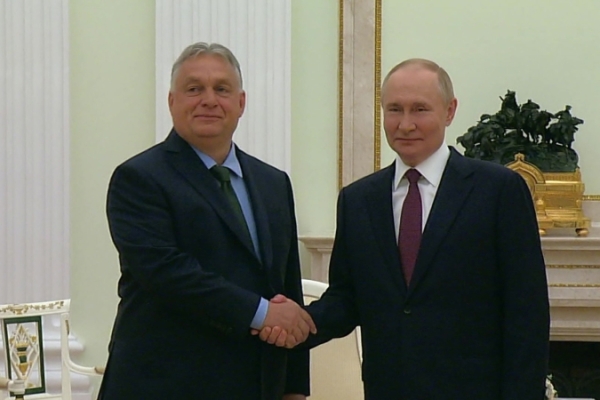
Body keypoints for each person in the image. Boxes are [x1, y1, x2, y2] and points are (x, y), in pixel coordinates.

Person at [257, 59, 550, 399]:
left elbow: (527, 312)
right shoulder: (358, 200)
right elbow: (346, 299)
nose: (405, 124)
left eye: (420, 109)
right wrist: (292, 323)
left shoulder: (498, 190)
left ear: (450, 111)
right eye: (394, 109)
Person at [98, 42, 314, 400]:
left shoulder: (274, 183)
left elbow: (286, 286)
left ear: (241, 103)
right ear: (172, 101)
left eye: (222, 89)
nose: (209, 100)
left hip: (257, 385)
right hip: (165, 385)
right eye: (194, 88)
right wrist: (261, 313)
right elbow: (168, 273)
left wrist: (293, 388)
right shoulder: (138, 178)